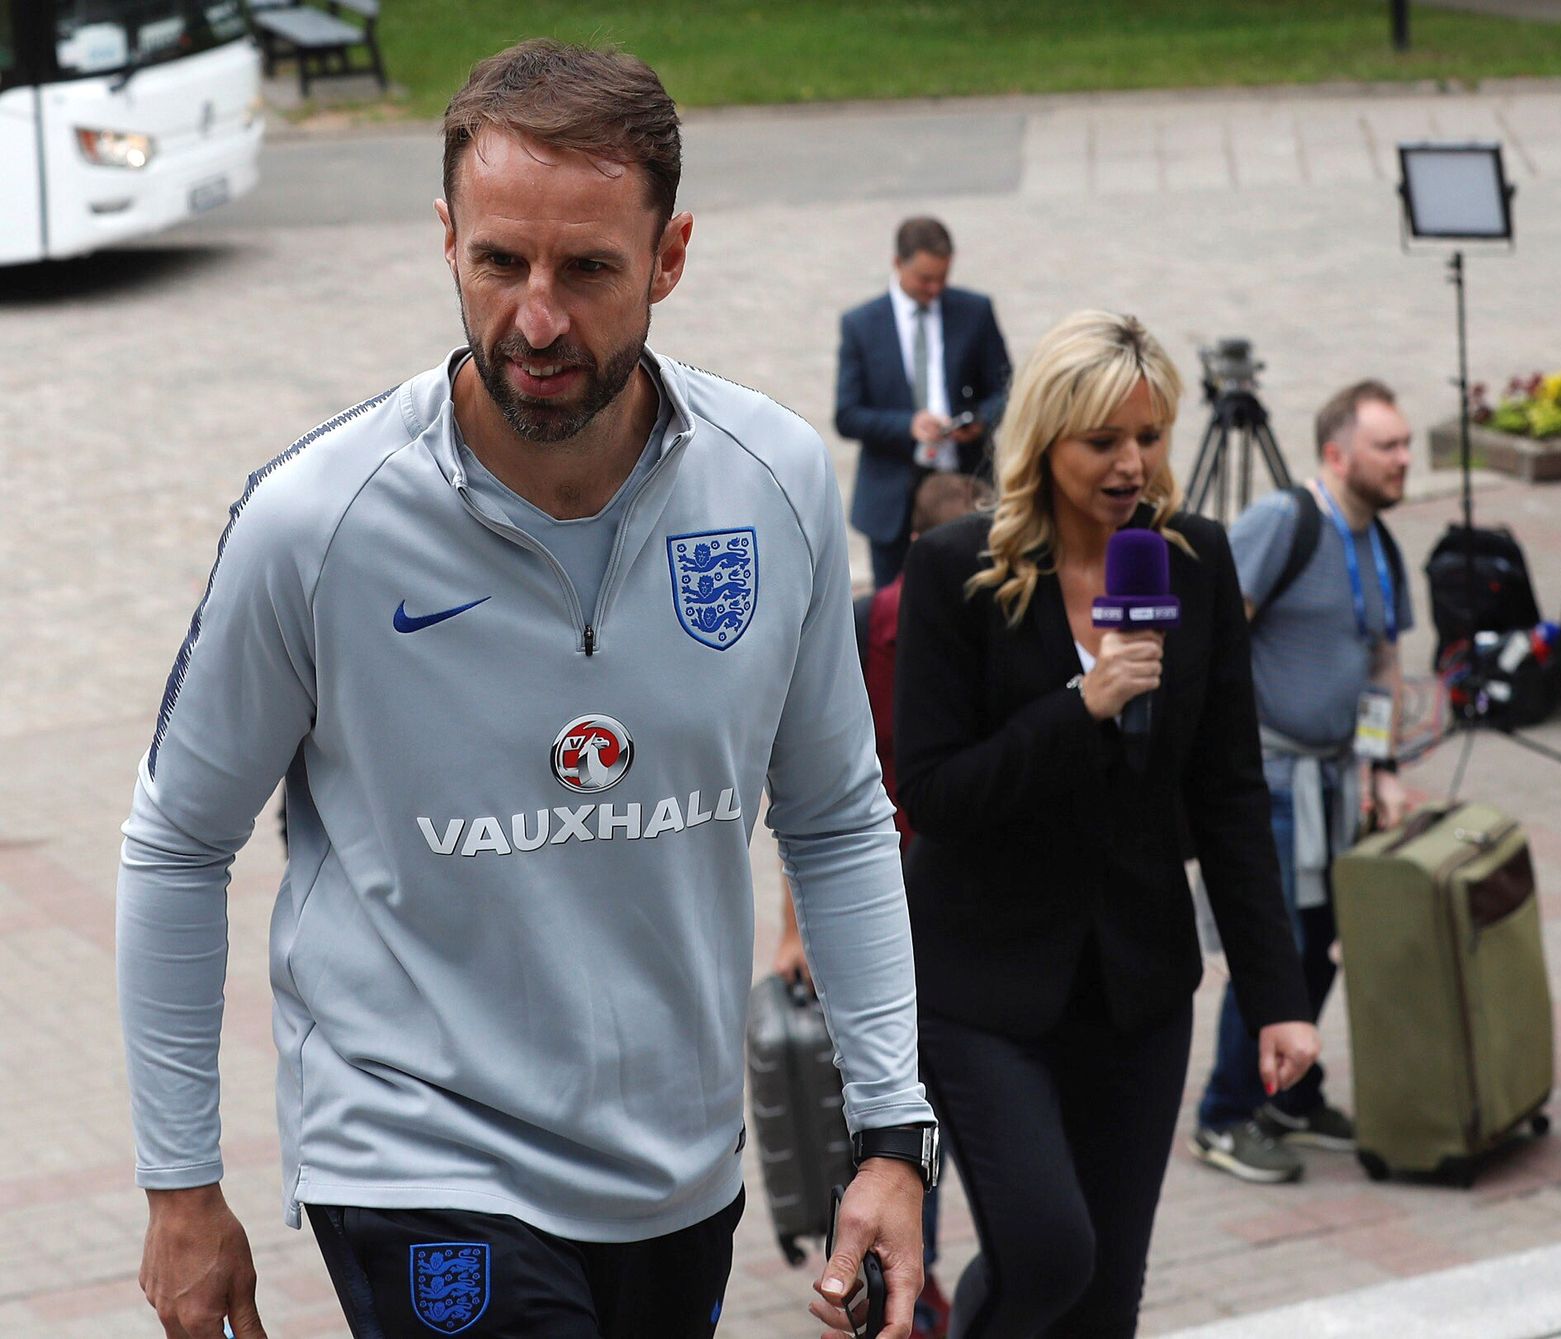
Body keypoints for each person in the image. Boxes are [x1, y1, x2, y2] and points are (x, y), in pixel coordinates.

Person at [116, 39, 937, 1339]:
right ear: (447, 238)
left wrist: (894, 1128)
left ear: (669, 258)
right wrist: (180, 1180)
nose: (537, 317)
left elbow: (835, 815)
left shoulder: (771, 481)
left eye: (588, 269)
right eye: (500, 261)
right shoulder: (313, 523)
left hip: (677, 1167)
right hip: (414, 1149)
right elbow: (176, 842)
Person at [893, 310, 1318, 1339]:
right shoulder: (955, 572)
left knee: (1105, 1298)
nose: (1132, 464)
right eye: (1103, 442)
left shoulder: (1195, 562)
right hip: (982, 988)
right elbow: (934, 792)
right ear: (1044, 442)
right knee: (1047, 1253)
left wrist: (1277, 996)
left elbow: (1226, 796)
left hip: (1135, 989)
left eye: (1150, 436)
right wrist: (1079, 709)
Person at [773, 471, 986, 1339]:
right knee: (882, 1110)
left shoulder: (994, 628)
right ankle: (895, 1288)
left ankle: (915, 1284)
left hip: (955, 918)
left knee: (919, 1111)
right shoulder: (866, 627)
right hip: (871, 913)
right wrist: (793, 930)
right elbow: (814, 801)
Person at [1191, 379, 1414, 1184]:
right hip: (1273, 784)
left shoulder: (1380, 543)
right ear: (1335, 452)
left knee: (1321, 945)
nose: (1404, 459)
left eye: (1405, 443)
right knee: (1270, 949)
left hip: (1334, 784)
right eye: (1387, 445)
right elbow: (1216, 635)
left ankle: (1290, 1092)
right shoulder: (1284, 523)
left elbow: (1384, 661)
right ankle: (1221, 1115)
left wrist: (1381, 765)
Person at [836, 216, 1011, 590]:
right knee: (892, 612)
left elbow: (1005, 388)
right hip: (892, 496)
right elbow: (847, 415)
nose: (935, 288)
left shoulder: (974, 311)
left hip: (966, 488)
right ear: (897, 263)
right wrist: (907, 425)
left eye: (942, 278)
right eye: (925, 280)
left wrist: (980, 420)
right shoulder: (861, 325)